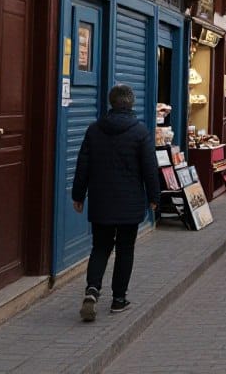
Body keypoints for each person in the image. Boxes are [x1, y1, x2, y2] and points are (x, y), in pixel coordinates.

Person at [71, 84, 160, 322]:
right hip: (129, 202)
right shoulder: (140, 132)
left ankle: (92, 289)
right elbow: (150, 168)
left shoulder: (94, 130)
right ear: (131, 104)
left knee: (100, 247)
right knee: (125, 249)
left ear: (111, 103)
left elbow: (83, 165)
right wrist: (154, 197)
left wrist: (78, 195)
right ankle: (119, 299)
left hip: (101, 201)